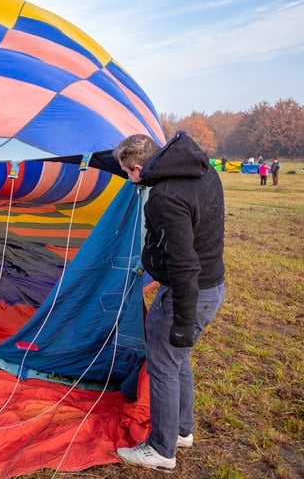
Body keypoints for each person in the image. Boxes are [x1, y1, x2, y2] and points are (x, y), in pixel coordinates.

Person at [113, 131, 225, 473]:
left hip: (184, 292)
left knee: (163, 366)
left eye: (128, 174)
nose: (131, 181)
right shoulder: (199, 169)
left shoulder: (164, 196)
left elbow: (184, 263)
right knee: (179, 360)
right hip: (211, 285)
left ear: (136, 167)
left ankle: (161, 450)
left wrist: (183, 319)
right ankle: (181, 430)